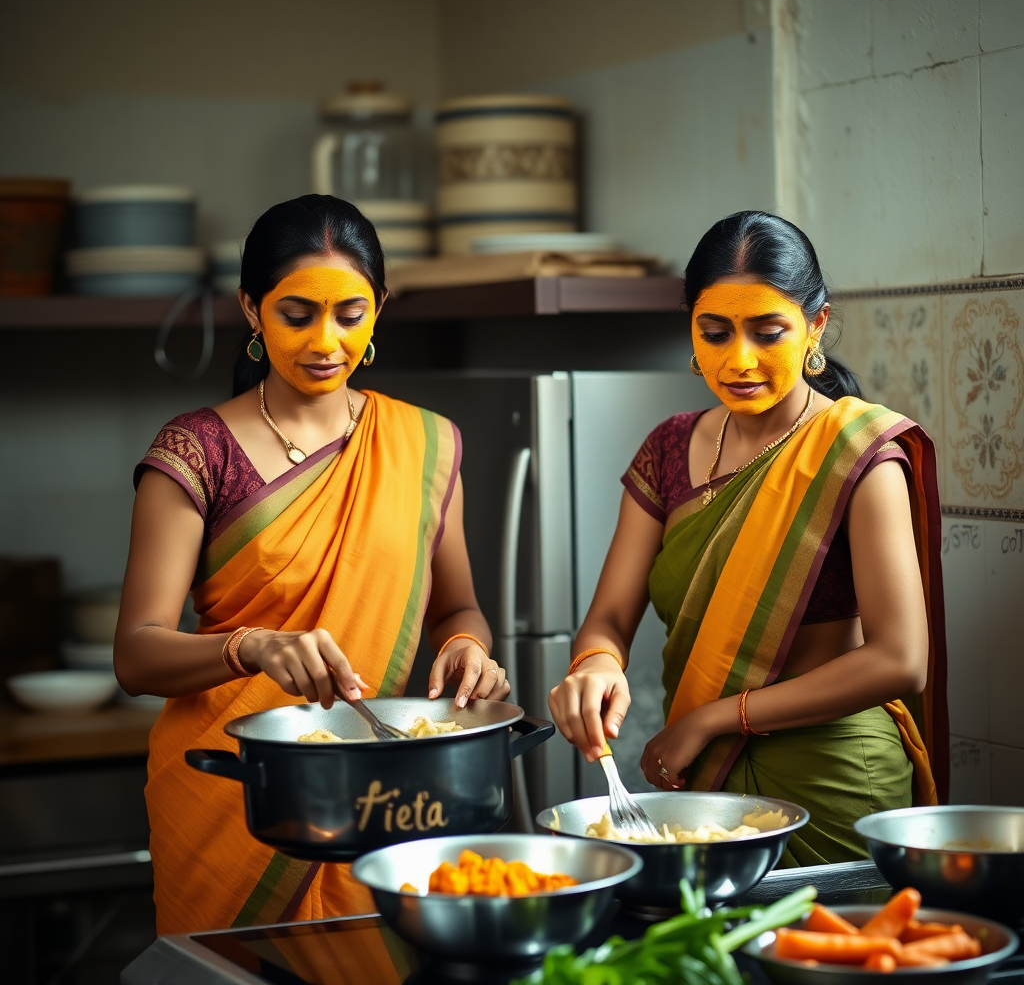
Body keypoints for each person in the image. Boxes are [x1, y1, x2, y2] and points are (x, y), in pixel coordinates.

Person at [114, 195, 509, 934]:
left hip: (382, 793)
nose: (328, 341)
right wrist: (252, 646)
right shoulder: (197, 452)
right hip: (234, 797)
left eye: (350, 315)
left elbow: (458, 609)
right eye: (298, 314)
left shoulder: (424, 443)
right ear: (251, 309)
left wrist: (466, 648)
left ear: (379, 308)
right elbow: (136, 655)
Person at [548, 211, 947, 866]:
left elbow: (902, 659)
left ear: (816, 327)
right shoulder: (670, 448)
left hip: (834, 779)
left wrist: (712, 718)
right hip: (707, 790)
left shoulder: (858, 457)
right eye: (715, 332)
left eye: (768, 333)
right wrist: (594, 665)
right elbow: (610, 618)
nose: (739, 360)